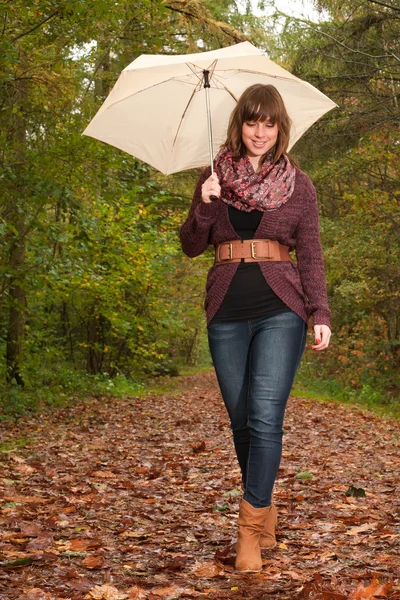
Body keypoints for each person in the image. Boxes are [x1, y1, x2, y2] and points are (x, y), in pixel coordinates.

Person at [179, 84, 331, 573]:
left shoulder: (299, 184)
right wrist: (204, 204)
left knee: (266, 416)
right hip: (225, 310)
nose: (260, 132)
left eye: (269, 123)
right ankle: (264, 509)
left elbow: (311, 253)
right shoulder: (213, 176)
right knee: (242, 418)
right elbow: (190, 245)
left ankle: (248, 532)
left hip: (280, 307)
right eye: (251, 122)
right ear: (238, 125)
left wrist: (320, 313)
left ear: (280, 128)